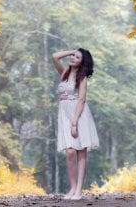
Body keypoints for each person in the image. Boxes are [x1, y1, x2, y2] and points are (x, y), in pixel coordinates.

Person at [51, 48, 99, 200]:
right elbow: (55, 56)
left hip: (79, 115)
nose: (72, 58)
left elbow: (81, 100)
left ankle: (79, 190)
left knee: (80, 151)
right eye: (72, 56)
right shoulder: (64, 72)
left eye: (77, 57)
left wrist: (74, 123)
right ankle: (72, 188)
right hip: (64, 114)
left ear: (81, 62)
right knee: (70, 152)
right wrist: (73, 50)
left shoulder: (82, 77)